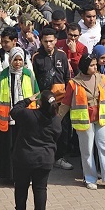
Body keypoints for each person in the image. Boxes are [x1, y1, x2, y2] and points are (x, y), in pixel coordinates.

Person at [56, 54, 105, 191]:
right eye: (92, 65)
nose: (95, 67)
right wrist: (56, 120)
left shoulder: (101, 78)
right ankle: (89, 178)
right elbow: (65, 104)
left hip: (101, 119)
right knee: (87, 150)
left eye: (95, 65)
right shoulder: (74, 83)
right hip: (84, 122)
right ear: (84, 66)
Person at [9, 90, 62, 210]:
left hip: (23, 157)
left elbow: (14, 111)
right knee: (40, 188)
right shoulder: (56, 120)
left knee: (21, 186)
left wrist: (27, 100)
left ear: (39, 103)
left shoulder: (28, 115)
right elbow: (57, 136)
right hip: (44, 159)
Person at [0, 47, 39, 182]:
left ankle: (25, 175)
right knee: (8, 147)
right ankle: (8, 176)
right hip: (7, 118)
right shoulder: (1, 75)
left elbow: (37, 93)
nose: (17, 63)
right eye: (15, 60)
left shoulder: (29, 74)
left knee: (25, 148)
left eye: (20, 60)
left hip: (25, 118)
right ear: (10, 59)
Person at [31, 28, 73, 170]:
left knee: (62, 129)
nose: (48, 44)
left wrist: (68, 98)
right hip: (44, 101)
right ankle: (44, 157)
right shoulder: (36, 57)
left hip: (61, 101)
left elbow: (67, 77)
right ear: (41, 41)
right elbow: (34, 80)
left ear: (56, 41)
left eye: (51, 41)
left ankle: (59, 157)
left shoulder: (62, 55)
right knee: (44, 130)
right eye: (45, 41)